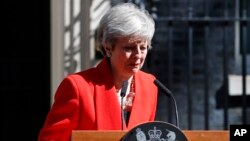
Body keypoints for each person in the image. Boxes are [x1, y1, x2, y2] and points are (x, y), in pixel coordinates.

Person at [38, 2, 158, 141]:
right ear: (108, 48)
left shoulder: (150, 85)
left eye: (143, 48)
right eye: (128, 48)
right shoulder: (78, 88)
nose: (138, 55)